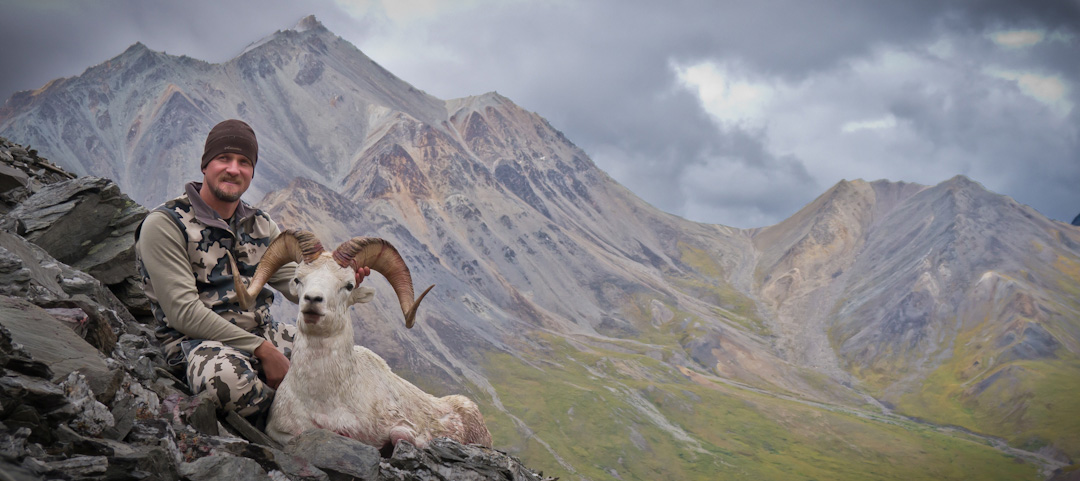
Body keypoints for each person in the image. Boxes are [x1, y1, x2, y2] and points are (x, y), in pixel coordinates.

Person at [135, 119, 367, 418]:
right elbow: (183, 312)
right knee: (228, 384)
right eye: (224, 158)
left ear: (252, 172)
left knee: (341, 357)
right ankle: (297, 421)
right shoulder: (165, 224)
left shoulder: (260, 224)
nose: (234, 169)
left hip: (262, 332)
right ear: (205, 165)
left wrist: (340, 282)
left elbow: (296, 286)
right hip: (198, 344)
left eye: (244, 162)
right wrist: (263, 350)